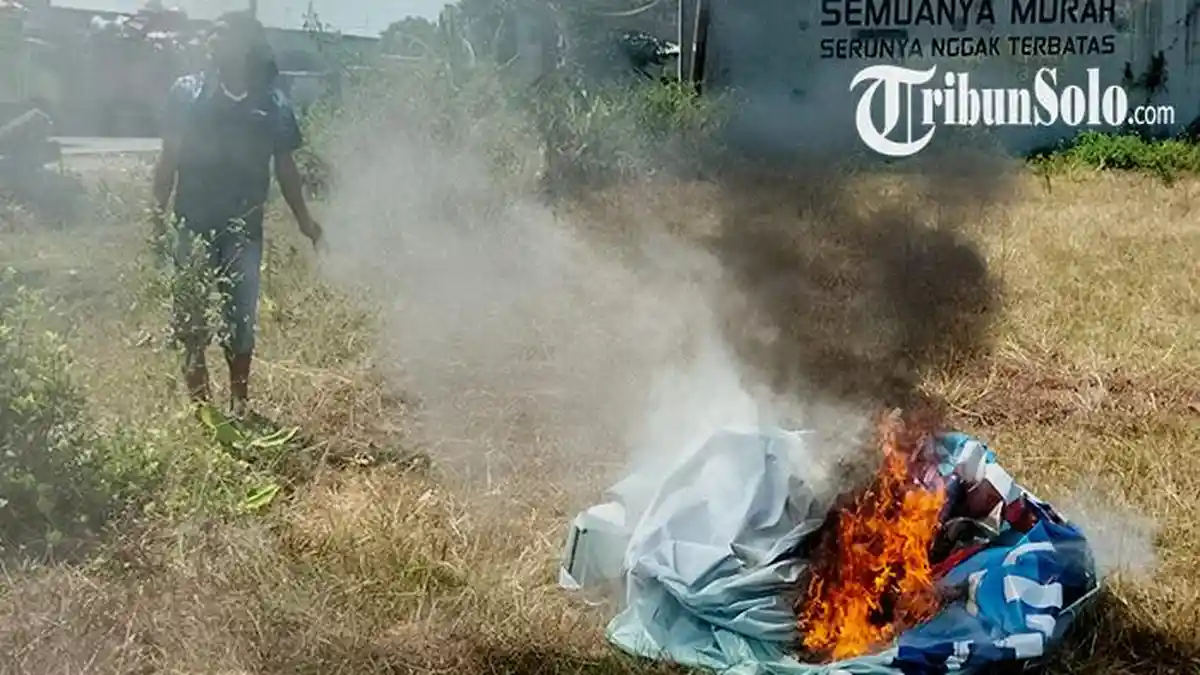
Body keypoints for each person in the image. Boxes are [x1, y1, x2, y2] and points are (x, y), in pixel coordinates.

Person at [151, 10, 322, 417]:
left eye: (223, 34)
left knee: (240, 320)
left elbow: (285, 168)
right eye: (212, 34)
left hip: (244, 229)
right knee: (190, 317)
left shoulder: (273, 102)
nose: (213, 41)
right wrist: (156, 217)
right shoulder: (187, 94)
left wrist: (305, 221)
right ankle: (202, 411)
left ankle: (239, 405)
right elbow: (168, 159)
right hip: (191, 223)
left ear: (248, 46)